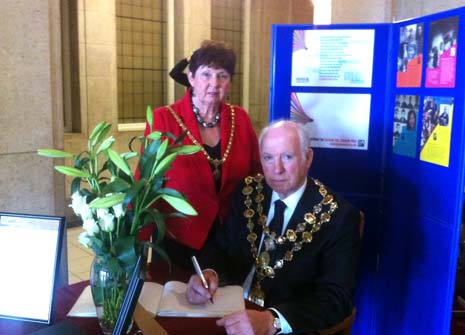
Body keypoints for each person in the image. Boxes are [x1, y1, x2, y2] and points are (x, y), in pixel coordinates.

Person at [186, 120, 361, 335]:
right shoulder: (248, 192)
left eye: (287, 157)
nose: (276, 169)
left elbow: (337, 298)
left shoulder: (338, 216)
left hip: (287, 326)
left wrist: (272, 321)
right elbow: (222, 247)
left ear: (308, 158)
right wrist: (207, 273)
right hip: (230, 313)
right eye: (268, 158)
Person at [141, 40, 262, 269]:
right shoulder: (163, 119)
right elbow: (146, 184)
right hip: (178, 241)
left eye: (222, 76)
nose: (214, 84)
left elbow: (256, 174)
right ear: (191, 78)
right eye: (206, 74)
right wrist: (137, 249)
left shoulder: (241, 118)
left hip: (230, 239)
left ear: (230, 82)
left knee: (226, 303)